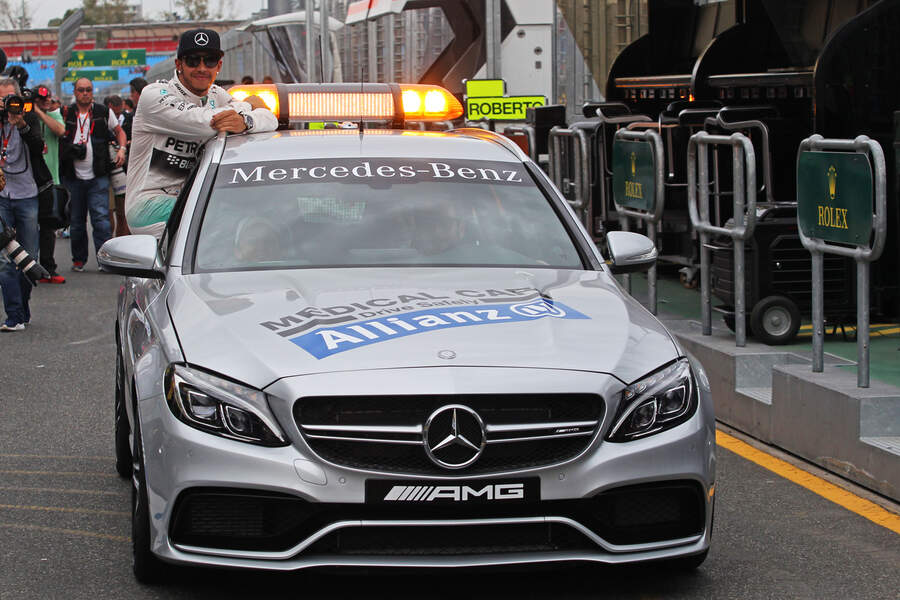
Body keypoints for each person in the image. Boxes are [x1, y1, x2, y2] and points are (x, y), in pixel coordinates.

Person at [126, 28, 278, 239]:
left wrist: (245, 121)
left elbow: (271, 119)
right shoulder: (153, 95)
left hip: (192, 195)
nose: (201, 68)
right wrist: (247, 107)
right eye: (193, 60)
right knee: (234, 223)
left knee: (257, 212)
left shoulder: (217, 95)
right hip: (148, 203)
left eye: (210, 61)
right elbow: (204, 122)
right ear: (178, 64)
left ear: (219, 65)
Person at [0, 78, 52, 331]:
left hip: (27, 193)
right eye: (3, 100)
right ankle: (13, 315)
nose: (8, 104)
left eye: (12, 98)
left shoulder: (28, 118)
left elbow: (38, 146)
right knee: (5, 258)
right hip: (2, 196)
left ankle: (22, 305)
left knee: (29, 257)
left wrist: (20, 123)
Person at [60, 78, 127, 272]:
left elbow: (119, 131)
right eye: (81, 90)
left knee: (101, 220)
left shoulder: (102, 112)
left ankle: (104, 260)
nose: (85, 93)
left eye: (88, 90)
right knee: (77, 222)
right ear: (74, 92)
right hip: (73, 177)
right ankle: (78, 260)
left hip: (98, 174)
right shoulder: (66, 113)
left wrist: (121, 149)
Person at [31, 84, 66, 284]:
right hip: (29, 181)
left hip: (51, 180)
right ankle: (28, 266)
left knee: (48, 227)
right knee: (26, 226)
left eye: (48, 98)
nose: (47, 101)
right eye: (41, 99)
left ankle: (48, 268)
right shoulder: (27, 118)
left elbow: (60, 131)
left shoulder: (54, 116)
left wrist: (40, 112)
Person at [104, 95, 130, 236]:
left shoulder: (130, 119)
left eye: (120, 113)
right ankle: (110, 243)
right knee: (107, 212)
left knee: (122, 213)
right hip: (104, 171)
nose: (117, 116)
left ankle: (122, 244)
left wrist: (123, 148)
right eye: (115, 113)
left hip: (123, 172)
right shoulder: (101, 118)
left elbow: (122, 134)